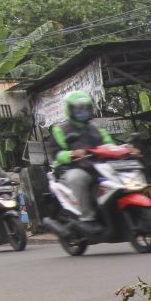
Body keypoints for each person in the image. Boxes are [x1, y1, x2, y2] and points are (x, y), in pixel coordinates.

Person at [50, 91, 115, 224]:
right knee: (77, 178)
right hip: (71, 168)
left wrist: (126, 149)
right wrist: (72, 154)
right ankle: (87, 215)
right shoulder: (60, 129)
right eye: (78, 108)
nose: (82, 111)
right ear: (69, 110)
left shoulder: (96, 128)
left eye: (85, 108)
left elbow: (110, 145)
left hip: (97, 166)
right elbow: (57, 154)